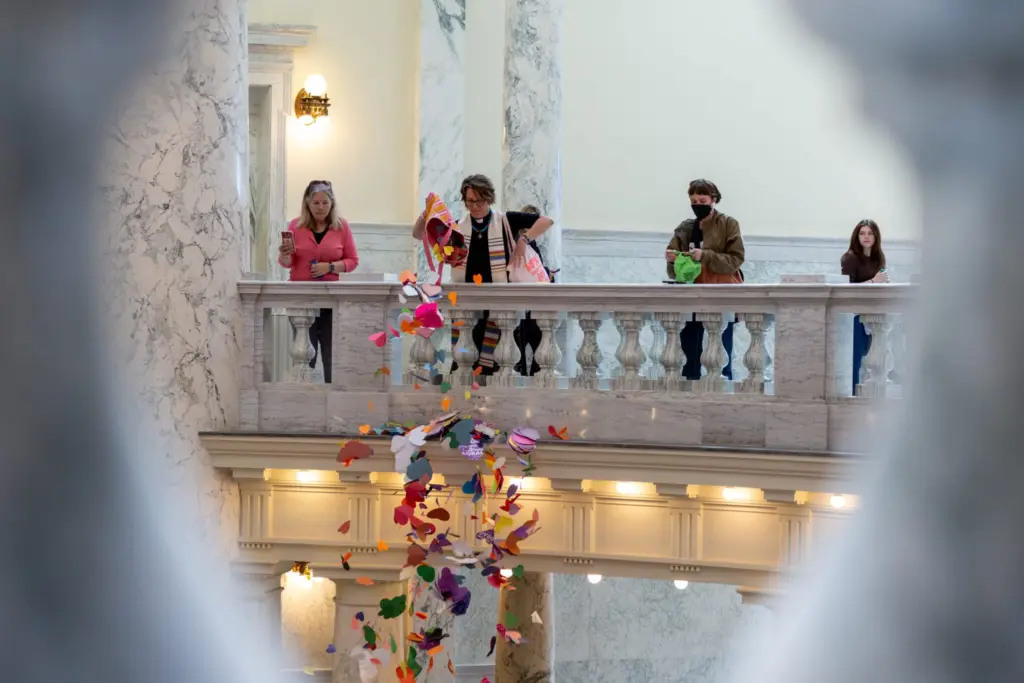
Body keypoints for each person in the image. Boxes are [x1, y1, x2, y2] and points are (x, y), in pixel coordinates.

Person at [413, 175, 553, 376]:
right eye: (470, 201)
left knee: (494, 363)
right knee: (463, 362)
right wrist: (426, 212)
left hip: (496, 304)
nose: (475, 206)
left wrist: (524, 240)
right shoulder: (458, 227)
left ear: (489, 198)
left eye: (480, 200)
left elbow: (547, 221)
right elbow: (419, 234)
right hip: (466, 304)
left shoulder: (505, 221)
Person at [278, 180, 359, 383]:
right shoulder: (295, 227)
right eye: (316, 203)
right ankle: (305, 400)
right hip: (302, 298)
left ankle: (334, 400)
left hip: (331, 298)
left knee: (332, 353)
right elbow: (287, 263)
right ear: (307, 203)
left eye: (325, 202)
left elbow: (352, 261)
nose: (321, 207)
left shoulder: (342, 227)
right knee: (304, 354)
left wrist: (330, 266)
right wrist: (285, 254)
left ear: (332, 203)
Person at [664, 179, 746, 380]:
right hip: (691, 294)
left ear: (714, 199)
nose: (697, 205)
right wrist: (674, 259)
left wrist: (705, 255)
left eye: (702, 200)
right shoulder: (685, 228)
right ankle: (688, 389)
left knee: (720, 348)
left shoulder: (728, 224)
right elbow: (674, 271)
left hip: (721, 292)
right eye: (693, 201)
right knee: (689, 347)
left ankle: (723, 388)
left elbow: (736, 260)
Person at [841, 219, 888, 394]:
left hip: (872, 316)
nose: (866, 237)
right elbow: (847, 289)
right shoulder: (850, 258)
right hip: (855, 316)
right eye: (862, 233)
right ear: (856, 236)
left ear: (876, 237)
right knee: (854, 362)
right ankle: (851, 397)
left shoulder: (878, 258)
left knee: (870, 360)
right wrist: (875, 281)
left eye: (870, 233)